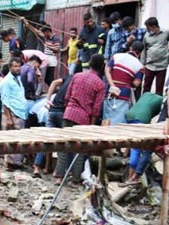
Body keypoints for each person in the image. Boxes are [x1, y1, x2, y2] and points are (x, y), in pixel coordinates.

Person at [61, 54, 106, 183]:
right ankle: (76, 178)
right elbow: (96, 109)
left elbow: (67, 96)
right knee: (79, 151)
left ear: (89, 64)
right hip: (83, 118)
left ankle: (59, 177)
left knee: (63, 146)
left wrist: (67, 109)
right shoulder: (100, 84)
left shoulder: (77, 76)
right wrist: (91, 126)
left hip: (69, 113)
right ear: (102, 67)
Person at [38, 75, 72, 181]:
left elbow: (53, 82)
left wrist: (47, 99)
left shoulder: (68, 77)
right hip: (63, 112)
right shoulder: (78, 80)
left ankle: (38, 167)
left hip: (52, 111)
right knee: (62, 145)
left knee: (47, 141)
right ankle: (59, 177)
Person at [104, 41, 144, 125]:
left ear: (130, 48)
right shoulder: (140, 66)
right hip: (124, 93)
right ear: (140, 53)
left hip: (110, 91)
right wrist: (129, 82)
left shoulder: (116, 56)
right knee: (119, 120)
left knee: (107, 116)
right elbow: (136, 83)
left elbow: (107, 70)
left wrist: (112, 85)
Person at [142, 17, 169, 95]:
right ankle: (144, 103)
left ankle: (157, 105)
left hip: (162, 65)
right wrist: (143, 63)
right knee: (146, 86)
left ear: (153, 27)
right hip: (150, 65)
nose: (147, 30)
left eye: (148, 28)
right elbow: (144, 49)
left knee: (159, 87)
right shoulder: (146, 36)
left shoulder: (166, 32)